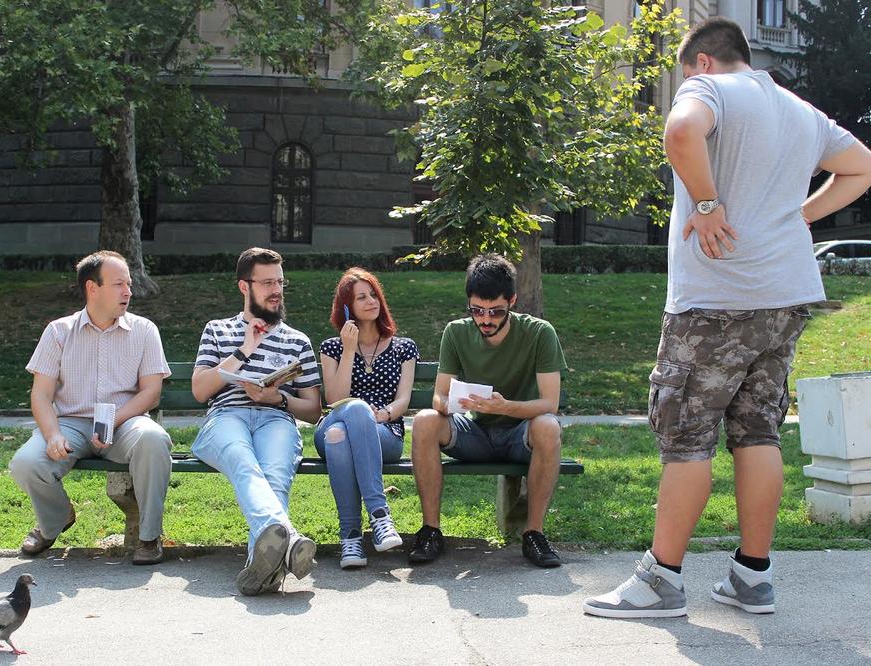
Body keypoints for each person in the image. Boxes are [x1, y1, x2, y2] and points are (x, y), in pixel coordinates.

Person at [584, 17, 871, 619]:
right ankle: (752, 577)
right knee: (758, 432)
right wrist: (802, 215)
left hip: (717, 298)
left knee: (686, 435)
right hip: (786, 296)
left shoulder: (707, 88)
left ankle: (660, 582)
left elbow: (680, 130)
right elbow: (862, 166)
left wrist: (708, 203)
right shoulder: (800, 111)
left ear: (703, 61)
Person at [9, 251, 173, 565]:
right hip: (71, 424)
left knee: (154, 439)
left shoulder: (144, 330)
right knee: (26, 463)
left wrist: (114, 421)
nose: (128, 291)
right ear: (92, 288)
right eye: (118, 284)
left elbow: (151, 392)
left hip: (126, 423)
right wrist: (53, 434)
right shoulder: (59, 331)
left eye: (128, 284)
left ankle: (149, 537)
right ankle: (55, 520)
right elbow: (41, 394)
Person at [408, 254, 568, 568]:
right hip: (475, 432)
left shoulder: (539, 333)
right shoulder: (456, 332)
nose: (486, 319)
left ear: (512, 301)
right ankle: (431, 531)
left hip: (519, 434)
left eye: (496, 311)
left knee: (548, 426)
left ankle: (534, 534)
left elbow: (550, 403)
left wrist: (506, 406)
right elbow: (439, 395)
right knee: (425, 421)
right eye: (477, 310)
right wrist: (450, 403)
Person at [190, 248, 323, 596]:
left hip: (275, 419)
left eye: (280, 282)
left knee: (275, 477)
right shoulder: (218, 330)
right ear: (244, 286)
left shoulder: (298, 341)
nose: (276, 290)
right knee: (244, 462)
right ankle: (290, 542)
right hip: (226, 417)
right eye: (267, 283)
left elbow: (313, 410)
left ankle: (260, 570)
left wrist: (277, 398)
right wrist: (244, 349)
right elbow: (200, 390)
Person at [317, 268, 419, 569]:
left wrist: (383, 414)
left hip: (384, 432)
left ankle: (350, 536)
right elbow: (335, 399)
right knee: (352, 414)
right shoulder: (332, 348)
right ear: (347, 307)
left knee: (338, 438)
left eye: (373, 294)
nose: (371, 301)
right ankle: (379, 514)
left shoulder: (403, 347)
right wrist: (349, 349)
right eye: (361, 297)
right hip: (338, 419)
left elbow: (403, 399)